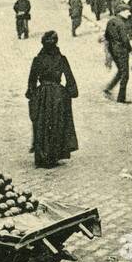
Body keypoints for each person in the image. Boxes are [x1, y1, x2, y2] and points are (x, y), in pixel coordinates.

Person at [25, 30, 79, 169]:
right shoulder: (61, 59)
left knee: (42, 124)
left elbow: (31, 80)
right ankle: (53, 155)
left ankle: (42, 156)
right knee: (56, 124)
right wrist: (69, 92)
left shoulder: (38, 59)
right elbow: (69, 78)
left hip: (42, 94)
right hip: (58, 95)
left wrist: (32, 94)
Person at [104, 5, 132, 103]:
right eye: (127, 11)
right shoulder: (122, 24)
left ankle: (108, 88)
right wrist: (129, 48)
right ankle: (121, 98)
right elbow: (125, 40)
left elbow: (106, 36)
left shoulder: (110, 21)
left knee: (120, 71)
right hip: (122, 51)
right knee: (125, 74)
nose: (129, 13)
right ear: (122, 12)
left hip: (113, 50)